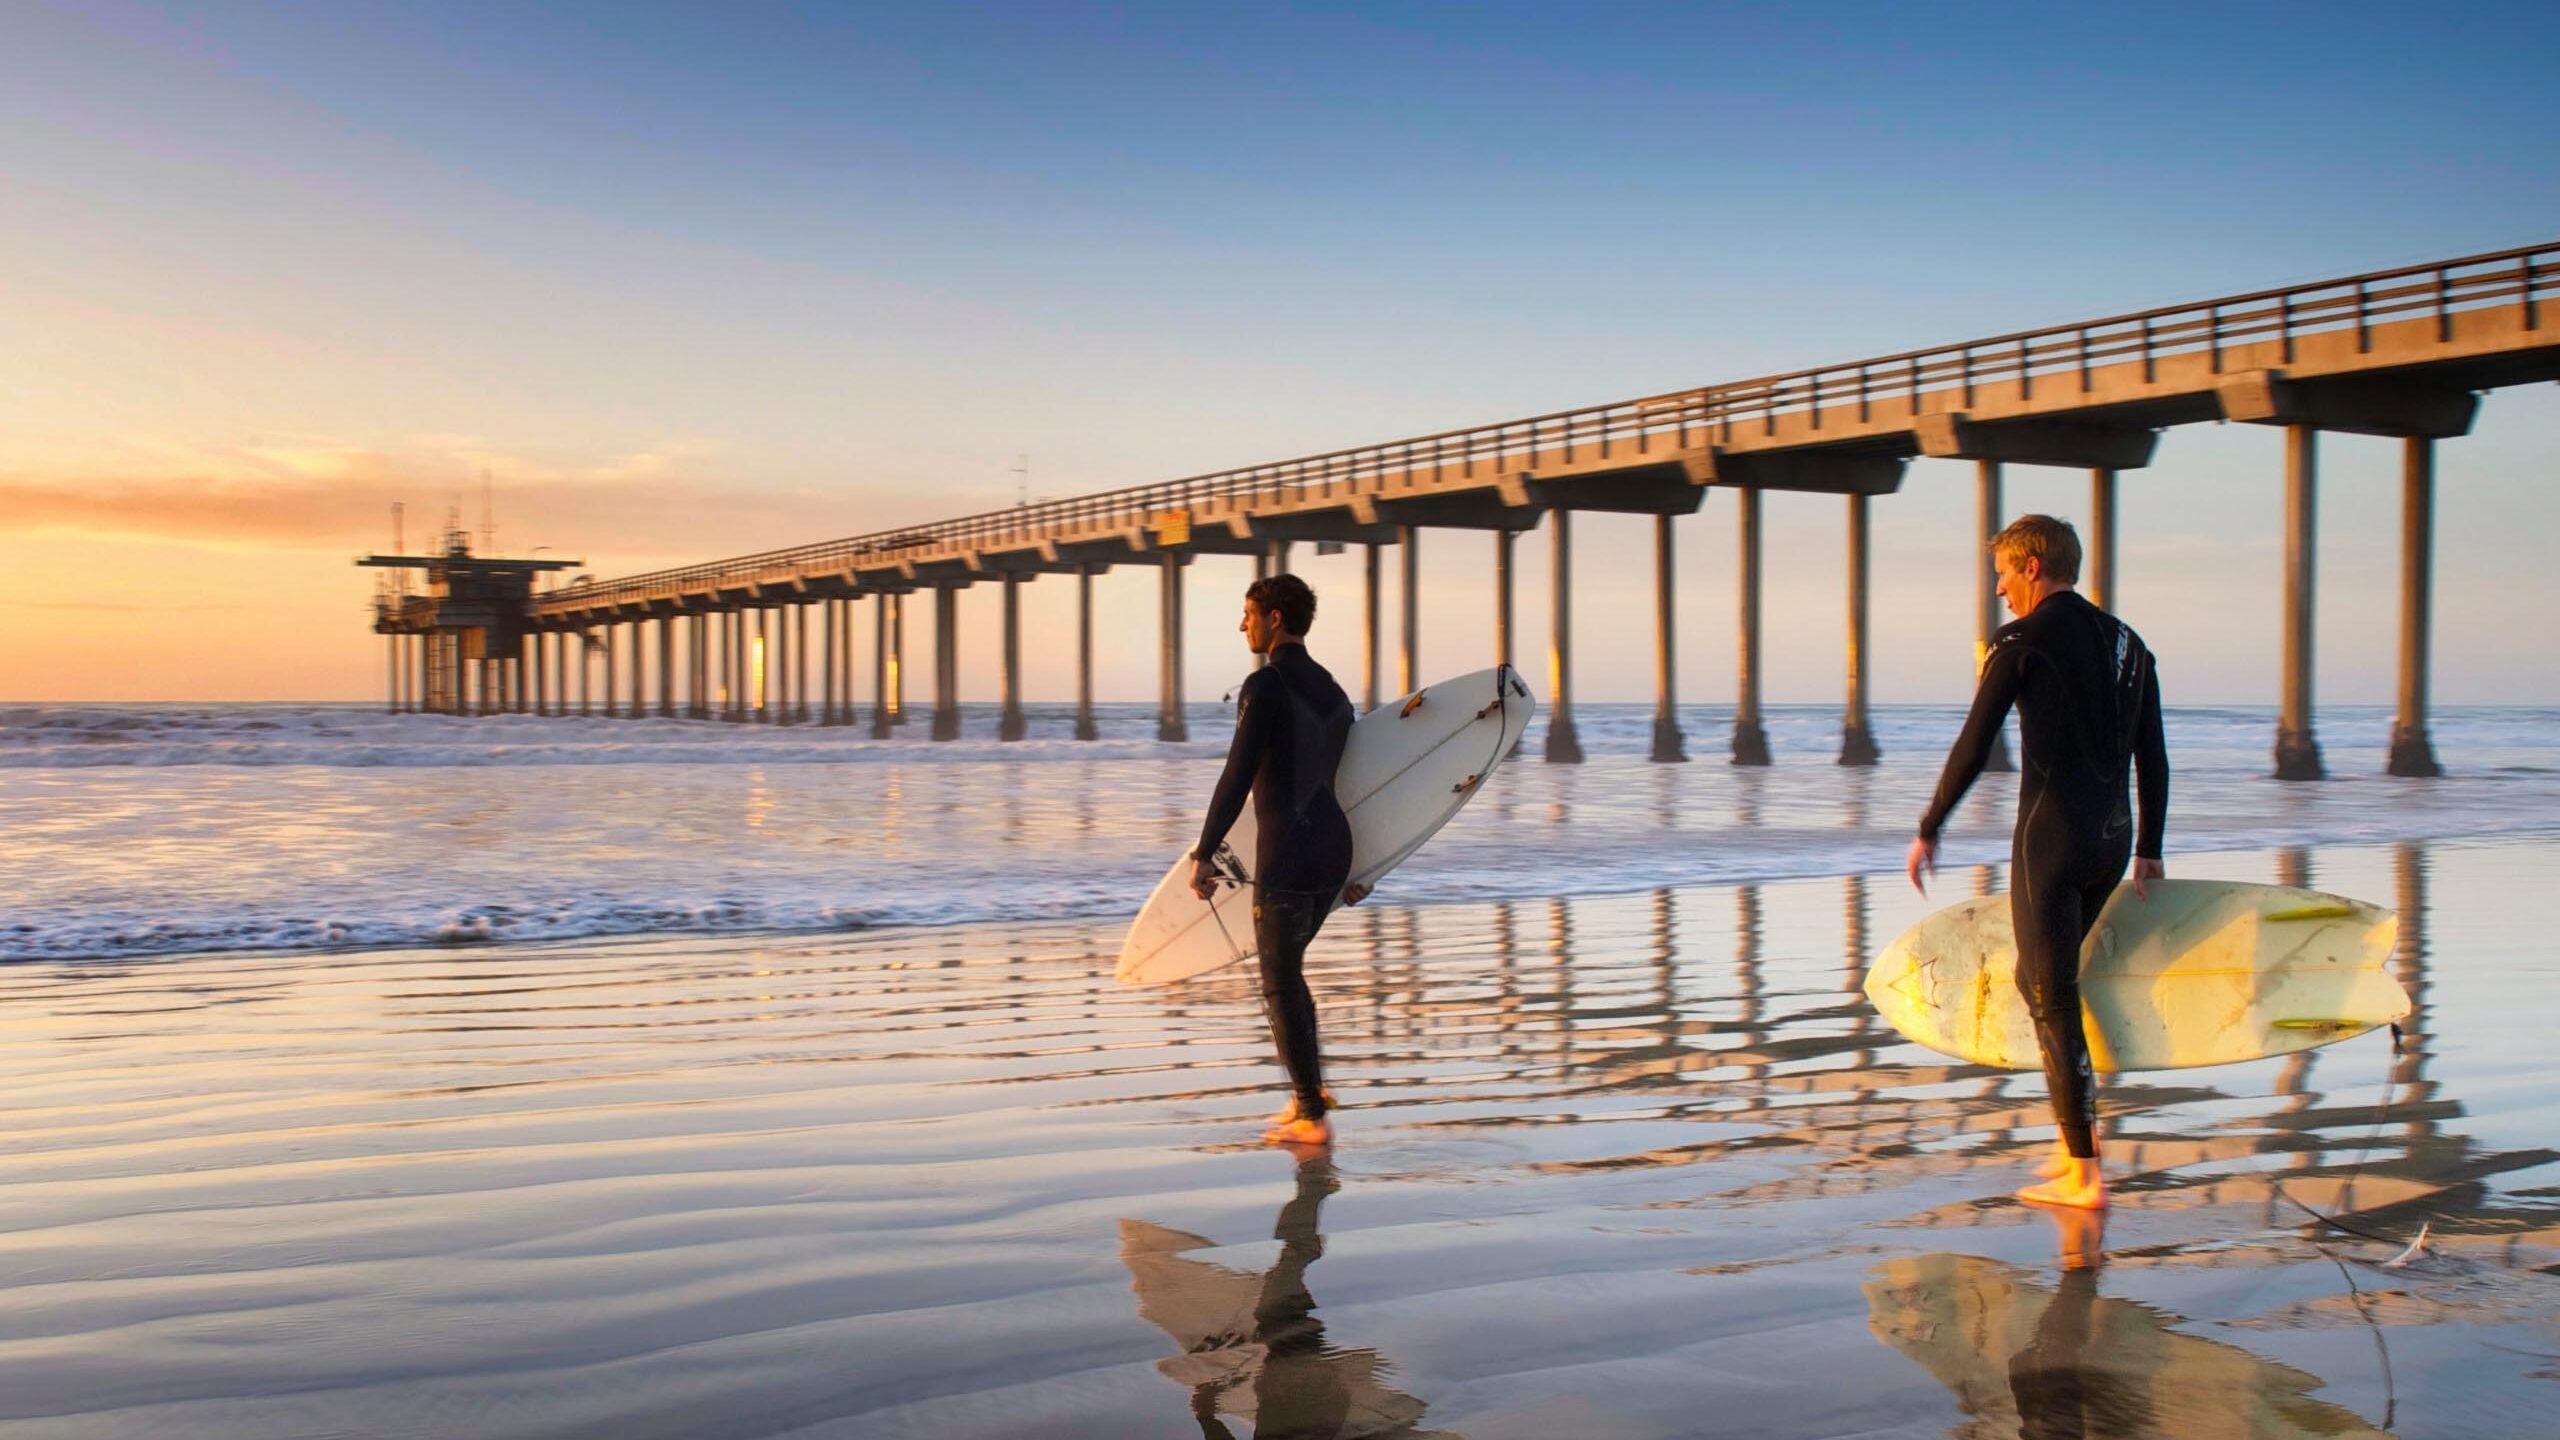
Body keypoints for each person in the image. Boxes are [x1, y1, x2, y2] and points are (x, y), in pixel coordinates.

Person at [1906, 515, 2167, 1210]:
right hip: (2112, 843)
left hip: (2050, 842)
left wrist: (1930, 826)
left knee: (2051, 999)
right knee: (2042, 982)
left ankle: (2084, 1173)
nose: (1998, 590)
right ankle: (2070, 1142)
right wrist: (2149, 849)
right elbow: (2154, 757)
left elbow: (1974, 743)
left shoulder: (2021, 641)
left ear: (2031, 567)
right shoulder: (2130, 646)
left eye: (2002, 573)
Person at [1192, 574, 1360, 1146]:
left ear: (1275, 619)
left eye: (1248, 614)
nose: (1243, 625)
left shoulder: (1264, 687)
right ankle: (1306, 1092)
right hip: (1333, 851)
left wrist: (1205, 852)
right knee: (1288, 974)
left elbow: (1237, 775)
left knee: (1278, 983)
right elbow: (1355, 783)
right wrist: (1365, 867)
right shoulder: (1337, 693)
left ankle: (1312, 1115)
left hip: (1289, 855)